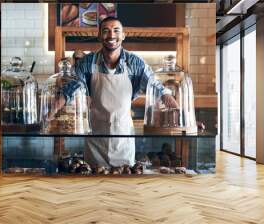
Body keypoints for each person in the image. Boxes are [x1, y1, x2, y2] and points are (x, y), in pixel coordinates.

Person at [49, 17, 178, 168]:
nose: (111, 35)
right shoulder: (87, 62)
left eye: (116, 30)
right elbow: (71, 88)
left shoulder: (135, 63)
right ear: (99, 35)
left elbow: (154, 84)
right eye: (106, 31)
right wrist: (52, 111)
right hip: (96, 137)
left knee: (123, 182)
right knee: (93, 181)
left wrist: (178, 110)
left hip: (123, 137)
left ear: (123, 35)